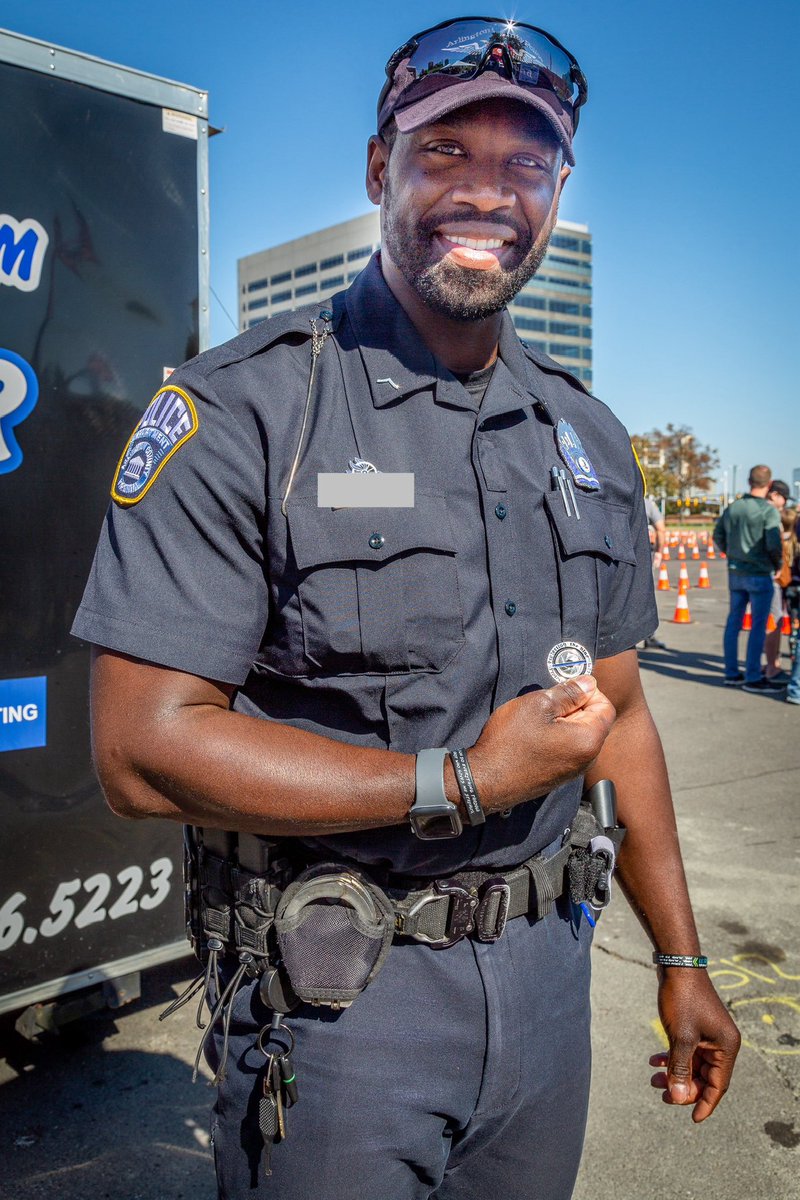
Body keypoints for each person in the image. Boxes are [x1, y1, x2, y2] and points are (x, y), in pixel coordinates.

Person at [72, 17, 739, 1200]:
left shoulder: (583, 434)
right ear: (380, 169)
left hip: (546, 990)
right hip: (339, 1009)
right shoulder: (243, 412)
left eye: (523, 166)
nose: (486, 193)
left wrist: (679, 955)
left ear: (556, 189)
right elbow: (141, 748)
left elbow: (620, 716)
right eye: (445, 154)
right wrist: (461, 782)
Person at [714, 464, 784, 693]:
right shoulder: (767, 510)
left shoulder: (734, 508)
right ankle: (753, 676)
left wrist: (731, 553)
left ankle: (731, 673)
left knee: (733, 622)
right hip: (760, 573)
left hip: (736, 571)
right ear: (769, 484)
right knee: (758, 626)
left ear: (748, 481)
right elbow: (773, 543)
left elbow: (718, 535)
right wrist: (778, 565)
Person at [763, 481, 792, 680]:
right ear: (775, 495)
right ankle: (771, 666)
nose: (784, 503)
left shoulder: (752, 509)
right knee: (773, 621)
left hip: (744, 573)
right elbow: (774, 547)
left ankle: (770, 662)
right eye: (784, 497)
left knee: (762, 622)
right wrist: (777, 565)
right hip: (771, 575)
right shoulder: (770, 514)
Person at [642, 494, 667, 649]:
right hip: (642, 554)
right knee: (646, 596)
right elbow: (661, 529)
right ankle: (648, 636)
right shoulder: (647, 504)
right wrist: (659, 551)